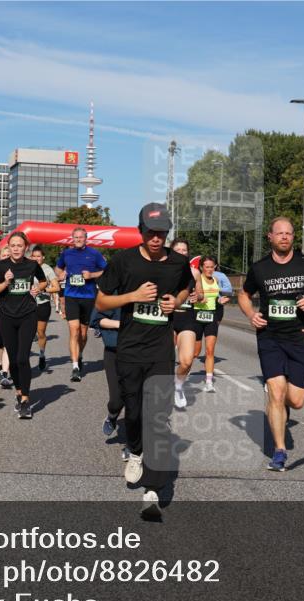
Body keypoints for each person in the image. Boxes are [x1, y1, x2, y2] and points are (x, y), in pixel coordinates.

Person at [96, 203, 191, 519]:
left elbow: (185, 290)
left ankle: (153, 489)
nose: (156, 238)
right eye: (151, 232)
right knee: (134, 413)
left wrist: (173, 302)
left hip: (160, 352)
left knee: (157, 418)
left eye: (162, 232)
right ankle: (134, 451)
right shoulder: (123, 261)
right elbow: (101, 300)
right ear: (140, 231)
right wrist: (131, 297)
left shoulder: (177, 263)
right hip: (130, 350)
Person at [238, 216, 304, 472]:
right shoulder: (260, 268)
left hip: (299, 338)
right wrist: (250, 314)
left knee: (297, 400)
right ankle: (279, 451)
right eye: (279, 233)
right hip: (270, 337)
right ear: (270, 237)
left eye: (289, 233)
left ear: (293, 237)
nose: (284, 237)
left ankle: (277, 401)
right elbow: (244, 294)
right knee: (277, 393)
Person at [0, 232, 47, 419]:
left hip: (28, 315)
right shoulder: (2, 265)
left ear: (25, 247)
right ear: (9, 247)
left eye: (19, 245)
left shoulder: (32, 265)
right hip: (6, 316)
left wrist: (38, 288)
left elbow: (44, 281)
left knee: (22, 358)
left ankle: (25, 400)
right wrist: (5, 282)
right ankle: (18, 392)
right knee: (12, 359)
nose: (15, 248)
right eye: (12, 245)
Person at [56, 228, 107, 382]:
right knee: (74, 330)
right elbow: (58, 268)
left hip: (88, 296)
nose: (78, 239)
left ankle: (80, 354)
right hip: (71, 296)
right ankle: (75, 366)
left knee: (83, 334)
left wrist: (91, 275)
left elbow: (106, 270)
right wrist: (60, 274)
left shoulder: (94, 254)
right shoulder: (66, 253)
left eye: (81, 237)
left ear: (86, 238)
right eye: (75, 237)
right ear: (72, 239)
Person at [169, 239, 202, 409]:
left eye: (184, 250)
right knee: (165, 359)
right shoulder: (162, 268)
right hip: (166, 318)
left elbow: (201, 294)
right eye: (178, 250)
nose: (181, 252)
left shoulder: (195, 272)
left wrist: (198, 296)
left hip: (187, 318)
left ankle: (178, 385)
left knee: (187, 361)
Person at [192, 256, 233, 393]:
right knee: (195, 353)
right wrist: (195, 298)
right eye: (207, 267)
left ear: (215, 267)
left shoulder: (216, 280)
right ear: (202, 267)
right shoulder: (197, 279)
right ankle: (182, 373)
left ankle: (209, 382)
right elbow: (190, 295)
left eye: (212, 267)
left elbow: (217, 297)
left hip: (211, 316)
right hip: (197, 316)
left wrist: (220, 300)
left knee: (210, 351)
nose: (209, 269)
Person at [90, 306, 127, 458]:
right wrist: (124, 324)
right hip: (114, 351)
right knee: (116, 400)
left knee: (136, 399)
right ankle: (112, 416)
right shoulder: (112, 289)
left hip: (140, 351)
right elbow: (97, 320)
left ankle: (132, 445)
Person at [30, 246, 60, 371]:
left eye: (39, 256)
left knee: (40, 332)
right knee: (29, 333)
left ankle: (42, 354)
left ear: (43, 257)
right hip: (28, 304)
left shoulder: (47, 269)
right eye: (34, 256)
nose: (36, 258)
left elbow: (57, 287)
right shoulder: (27, 267)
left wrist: (43, 289)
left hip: (43, 303)